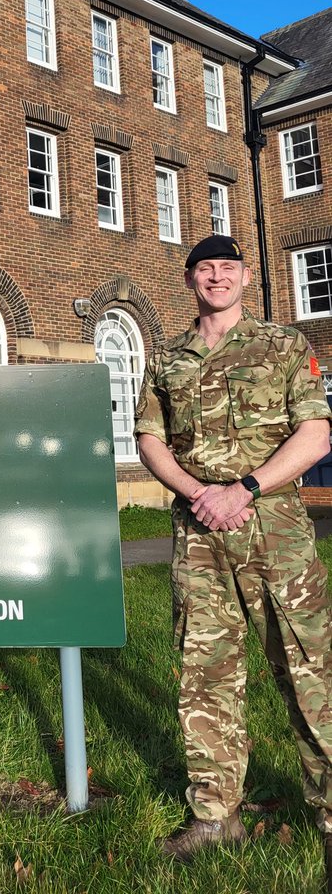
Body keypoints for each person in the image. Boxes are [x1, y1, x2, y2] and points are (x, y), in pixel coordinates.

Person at [134, 234, 332, 871]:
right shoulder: (168, 356)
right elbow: (149, 439)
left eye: (228, 268)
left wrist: (243, 488)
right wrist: (201, 494)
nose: (216, 278)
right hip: (199, 533)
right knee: (205, 673)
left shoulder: (283, 346)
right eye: (204, 269)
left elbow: (316, 433)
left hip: (273, 525)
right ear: (190, 279)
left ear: (246, 278)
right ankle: (217, 817)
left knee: (308, 671)